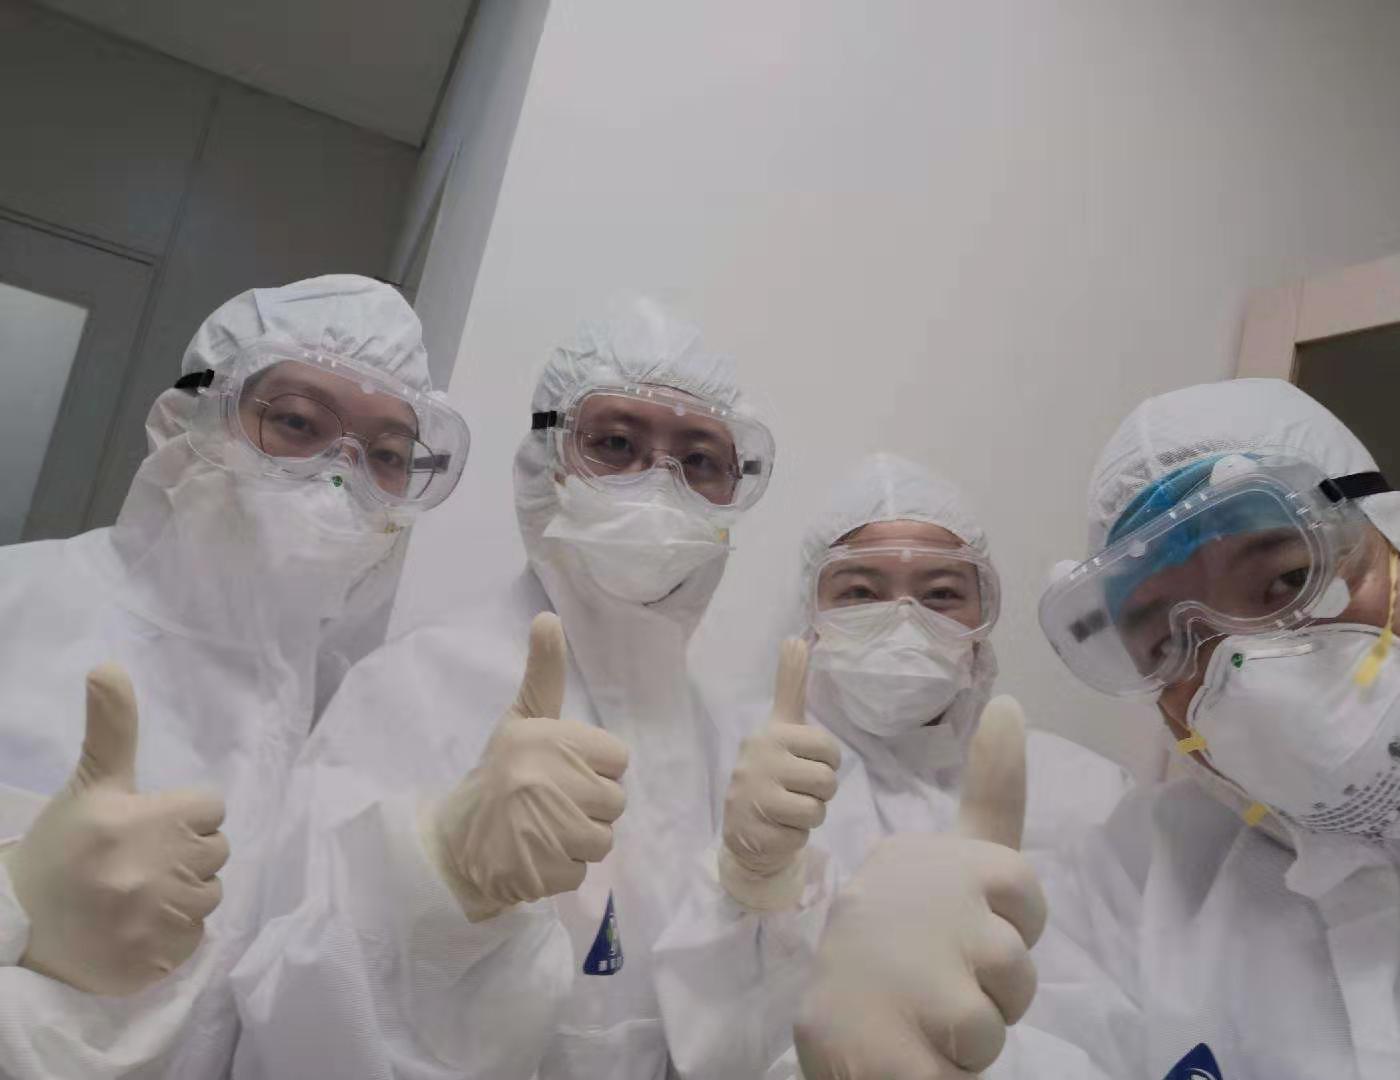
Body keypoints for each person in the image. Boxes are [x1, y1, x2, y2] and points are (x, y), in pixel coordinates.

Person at [797, 378, 1400, 1079]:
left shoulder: (1089, 795)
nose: (1243, 670)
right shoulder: (1140, 877)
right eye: (1168, 640)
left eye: (1288, 580)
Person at [229, 296, 778, 1079]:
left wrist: (761, 895)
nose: (659, 485)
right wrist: (442, 878)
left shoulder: (718, 734)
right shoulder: (414, 686)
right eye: (615, 443)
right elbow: (295, 1018)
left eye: (700, 462)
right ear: (546, 463)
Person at [0, 275, 467, 1080]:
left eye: (386, 456)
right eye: (297, 422)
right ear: (188, 417)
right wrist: (14, 900)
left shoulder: (354, 712)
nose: (339, 476)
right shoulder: (18, 604)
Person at [654, 452, 1130, 1079]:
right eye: (859, 593)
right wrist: (747, 881)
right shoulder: (739, 760)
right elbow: (701, 1048)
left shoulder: (1086, 794)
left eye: (941, 594)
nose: (904, 619)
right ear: (812, 613)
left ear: (982, 620)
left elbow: (1116, 1029)